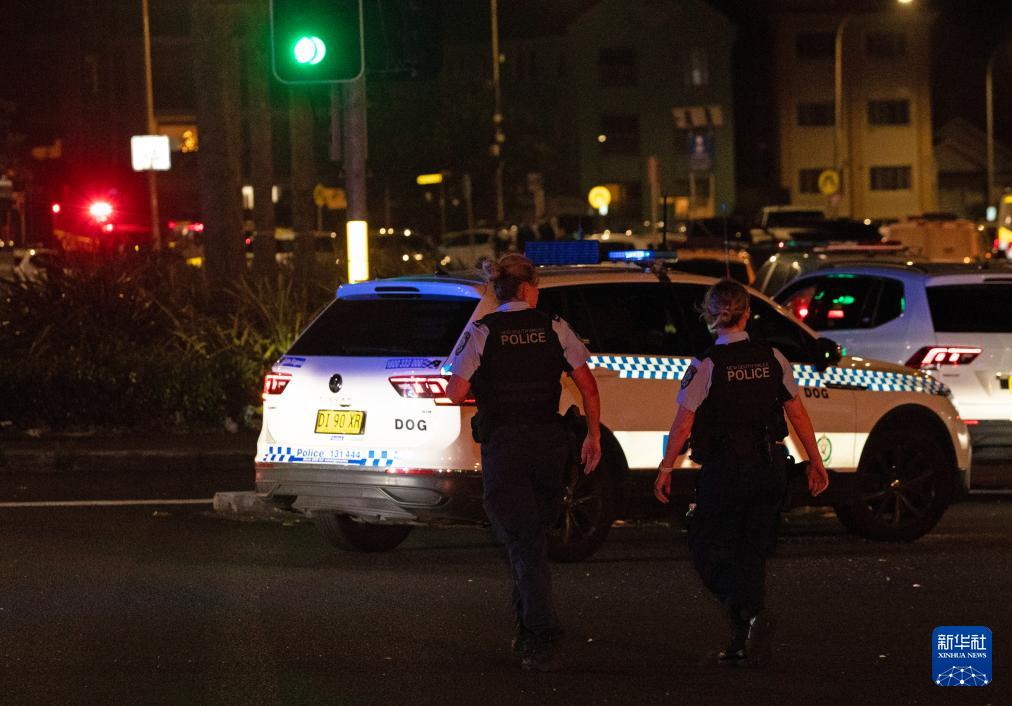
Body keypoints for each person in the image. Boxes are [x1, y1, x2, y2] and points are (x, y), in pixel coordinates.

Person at [654, 279, 829, 667]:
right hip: (769, 467)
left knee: (706, 544)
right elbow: (797, 414)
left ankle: (748, 614)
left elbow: (683, 424)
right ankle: (744, 639)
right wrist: (816, 462)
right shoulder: (772, 357)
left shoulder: (706, 364)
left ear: (710, 315)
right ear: (748, 313)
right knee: (752, 553)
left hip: (726, 469)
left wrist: (666, 467)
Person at [446, 253, 602, 672]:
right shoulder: (555, 327)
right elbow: (588, 387)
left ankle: (541, 632)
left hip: (506, 447)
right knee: (530, 540)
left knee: (523, 541)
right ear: (529, 288)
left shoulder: (483, 331)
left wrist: (488, 385)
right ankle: (529, 629)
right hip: (549, 446)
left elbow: (454, 392)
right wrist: (593, 436)